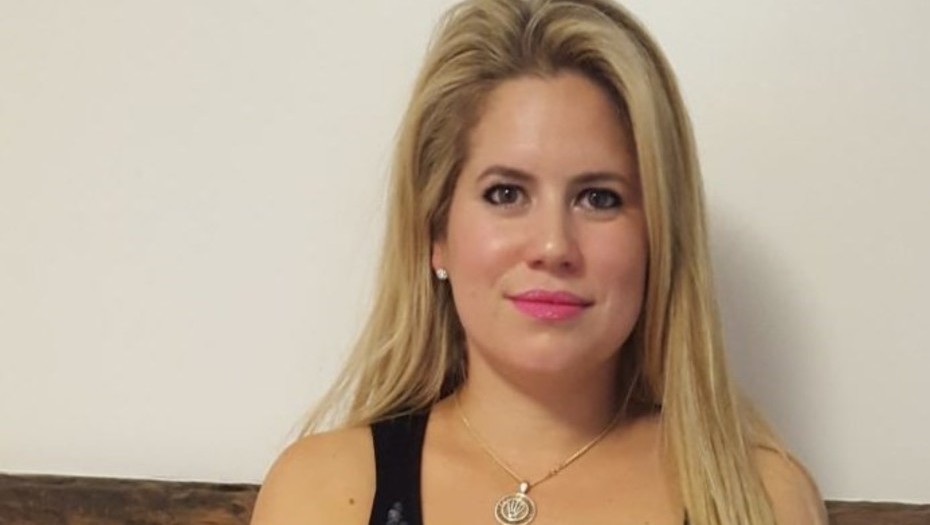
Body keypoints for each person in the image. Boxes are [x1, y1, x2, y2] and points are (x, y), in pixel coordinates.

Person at [250, 1, 828, 524]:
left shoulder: (762, 499)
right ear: (436, 231)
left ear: (659, 238)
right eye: (506, 194)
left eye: (599, 198)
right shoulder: (323, 492)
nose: (553, 246)